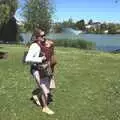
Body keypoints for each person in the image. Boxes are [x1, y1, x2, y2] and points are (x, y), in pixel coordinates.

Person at [25, 28, 55, 115]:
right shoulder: (34, 46)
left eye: (44, 35)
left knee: (48, 87)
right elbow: (27, 59)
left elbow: (50, 48)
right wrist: (40, 59)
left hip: (43, 69)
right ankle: (45, 108)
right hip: (36, 69)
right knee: (44, 89)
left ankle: (36, 94)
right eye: (42, 36)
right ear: (37, 37)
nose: (44, 37)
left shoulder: (41, 43)